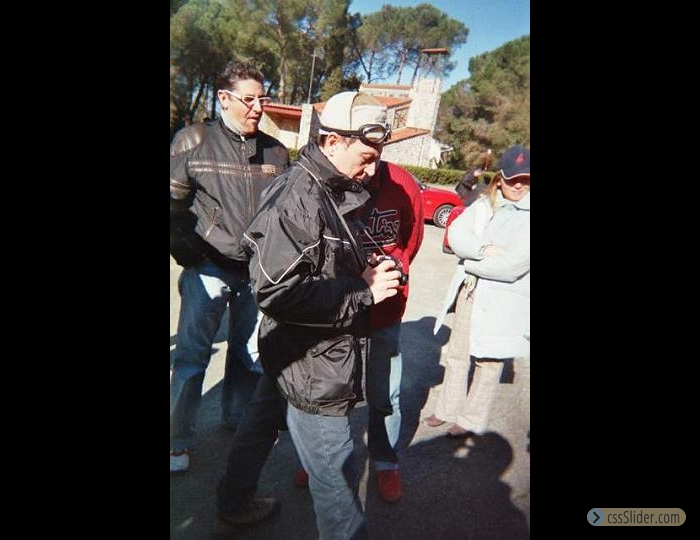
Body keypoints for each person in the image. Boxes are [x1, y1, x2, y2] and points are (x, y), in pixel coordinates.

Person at [214, 91, 400, 538]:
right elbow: (275, 291)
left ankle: (233, 504)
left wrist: (362, 266)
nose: (372, 169)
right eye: (367, 157)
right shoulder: (301, 195)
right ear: (332, 142)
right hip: (315, 366)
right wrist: (363, 291)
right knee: (336, 481)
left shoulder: (331, 189)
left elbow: (316, 263)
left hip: (296, 353)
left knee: (260, 423)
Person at [169, 61, 290, 473]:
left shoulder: (276, 152)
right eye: (248, 99)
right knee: (191, 358)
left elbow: (284, 213)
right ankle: (176, 440)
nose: (258, 107)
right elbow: (172, 208)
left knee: (248, 355)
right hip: (208, 270)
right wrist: (192, 255)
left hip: (256, 274)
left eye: (262, 99)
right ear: (224, 98)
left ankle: (237, 419)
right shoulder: (193, 141)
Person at [294, 160, 424, 503]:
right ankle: (319, 460)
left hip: (384, 311)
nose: (369, 159)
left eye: (376, 149)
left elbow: (412, 240)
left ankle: (385, 462)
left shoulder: (403, 183)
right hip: (337, 310)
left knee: (385, 395)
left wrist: (390, 268)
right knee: (329, 392)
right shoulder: (327, 178)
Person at [425, 145, 529, 438]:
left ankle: (471, 419)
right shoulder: (484, 204)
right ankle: (447, 409)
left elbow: (511, 266)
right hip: (470, 292)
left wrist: (469, 263)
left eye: (525, 179)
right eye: (512, 179)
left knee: (488, 362)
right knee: (457, 354)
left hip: (505, 302)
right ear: (500, 178)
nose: (518, 185)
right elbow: (456, 234)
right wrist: (483, 249)